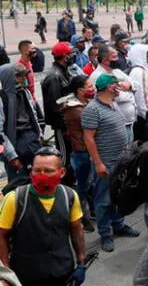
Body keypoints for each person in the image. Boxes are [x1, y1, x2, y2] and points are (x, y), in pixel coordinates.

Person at [0, 147, 86, 286]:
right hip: (26, 276)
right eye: (37, 170)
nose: (42, 175)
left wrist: (81, 263)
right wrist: (6, 274)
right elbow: (1, 236)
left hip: (63, 272)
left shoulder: (69, 196)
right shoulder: (15, 199)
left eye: (48, 171)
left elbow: (77, 229)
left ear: (62, 172)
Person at [82, 74, 140, 252]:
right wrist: (99, 163)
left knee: (118, 196)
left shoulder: (113, 103)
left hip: (121, 161)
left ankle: (119, 225)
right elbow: (89, 139)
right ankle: (105, 234)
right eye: (116, 84)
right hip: (106, 163)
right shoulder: (92, 109)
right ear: (109, 87)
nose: (119, 86)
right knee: (103, 201)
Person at [59, 75, 96, 232]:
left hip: (86, 151)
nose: (93, 88)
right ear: (80, 91)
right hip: (82, 152)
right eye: (89, 86)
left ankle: (90, 212)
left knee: (90, 184)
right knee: (83, 187)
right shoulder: (76, 110)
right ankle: (81, 217)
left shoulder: (83, 105)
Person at [0, 64, 43, 180]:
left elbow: (34, 116)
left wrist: (39, 135)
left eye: (24, 75)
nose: (24, 78)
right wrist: (11, 157)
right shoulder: (2, 99)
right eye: (19, 76)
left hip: (32, 145)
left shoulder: (25, 92)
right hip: (14, 149)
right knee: (18, 185)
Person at [89, 45, 137, 141]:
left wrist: (130, 85)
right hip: (115, 125)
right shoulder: (98, 76)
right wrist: (130, 93)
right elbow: (117, 97)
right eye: (114, 57)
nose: (118, 59)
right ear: (105, 60)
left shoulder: (117, 71)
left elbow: (135, 84)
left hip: (129, 121)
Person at [42, 42, 74, 170]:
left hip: (68, 122)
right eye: (71, 54)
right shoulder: (54, 76)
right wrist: (64, 126)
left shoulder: (64, 71)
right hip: (62, 125)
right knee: (64, 154)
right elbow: (56, 105)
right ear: (65, 56)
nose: (73, 56)